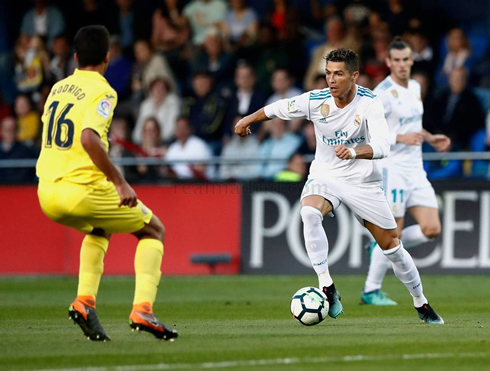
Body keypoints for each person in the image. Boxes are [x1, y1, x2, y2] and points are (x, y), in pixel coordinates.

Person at [235, 48, 444, 324]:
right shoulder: (317, 100)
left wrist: (355, 152)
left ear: (354, 76)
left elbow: (383, 145)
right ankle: (327, 286)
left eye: (339, 74)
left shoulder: (370, 102)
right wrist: (247, 120)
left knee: (391, 246)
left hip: (362, 180)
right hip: (326, 174)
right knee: (309, 213)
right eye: (328, 73)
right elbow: (279, 108)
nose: (331, 80)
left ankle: (421, 303)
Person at [36, 26, 178, 341]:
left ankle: (84, 301)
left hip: (47, 192)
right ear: (107, 57)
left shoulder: (57, 89)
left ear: (74, 57)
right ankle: (143, 309)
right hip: (82, 189)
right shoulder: (103, 90)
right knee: (153, 229)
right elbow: (88, 138)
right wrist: (120, 182)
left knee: (101, 227)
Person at [360, 38, 451, 306]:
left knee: (432, 228)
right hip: (393, 169)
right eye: (396, 60)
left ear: (412, 60)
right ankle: (370, 290)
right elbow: (368, 131)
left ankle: (377, 247)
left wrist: (431, 138)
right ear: (388, 62)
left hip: (415, 170)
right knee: (393, 232)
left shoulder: (415, 87)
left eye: (405, 60)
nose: (401, 65)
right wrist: (400, 137)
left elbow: (414, 125)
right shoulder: (382, 94)